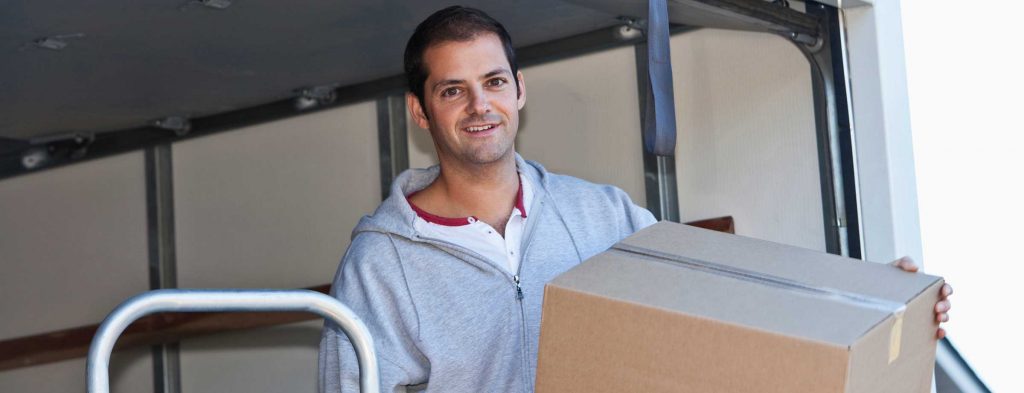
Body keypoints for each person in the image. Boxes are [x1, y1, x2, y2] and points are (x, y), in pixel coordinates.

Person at [319, 6, 952, 393]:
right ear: (420, 112)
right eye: (453, 91)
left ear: (519, 90)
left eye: (492, 82)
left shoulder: (603, 215)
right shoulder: (381, 264)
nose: (479, 105)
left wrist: (869, 294)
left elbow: (726, 294)